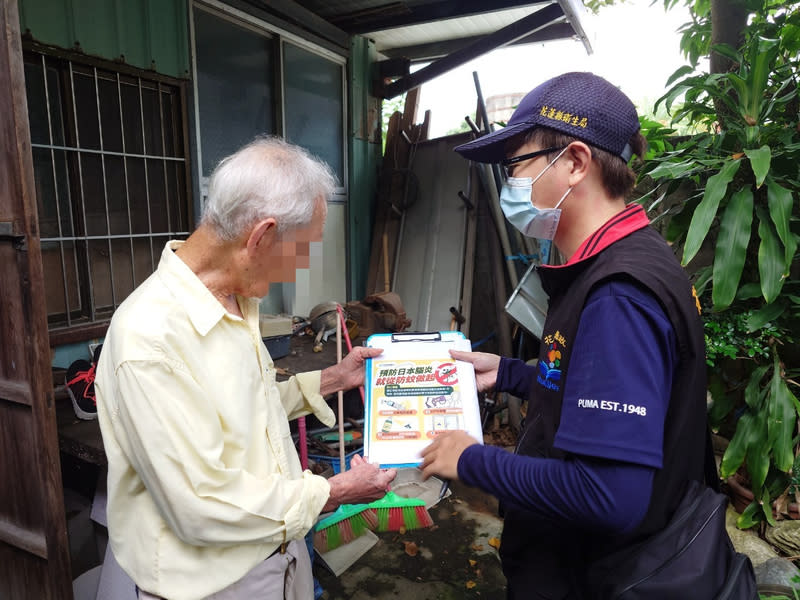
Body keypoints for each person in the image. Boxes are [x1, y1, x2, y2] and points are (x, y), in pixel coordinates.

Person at [419, 72, 716, 597]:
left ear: (576, 163)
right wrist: (511, 373)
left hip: (596, 575)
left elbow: (610, 494)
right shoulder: (623, 260)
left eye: (516, 165)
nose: (510, 183)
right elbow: (600, 390)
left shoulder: (618, 295)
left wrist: (470, 458)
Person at [95, 136, 396, 600]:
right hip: (215, 585)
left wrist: (334, 378)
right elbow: (200, 505)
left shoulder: (233, 301)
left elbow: (241, 408)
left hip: (277, 552)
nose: (300, 270)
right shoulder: (150, 339)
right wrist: (333, 491)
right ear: (262, 237)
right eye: (303, 250)